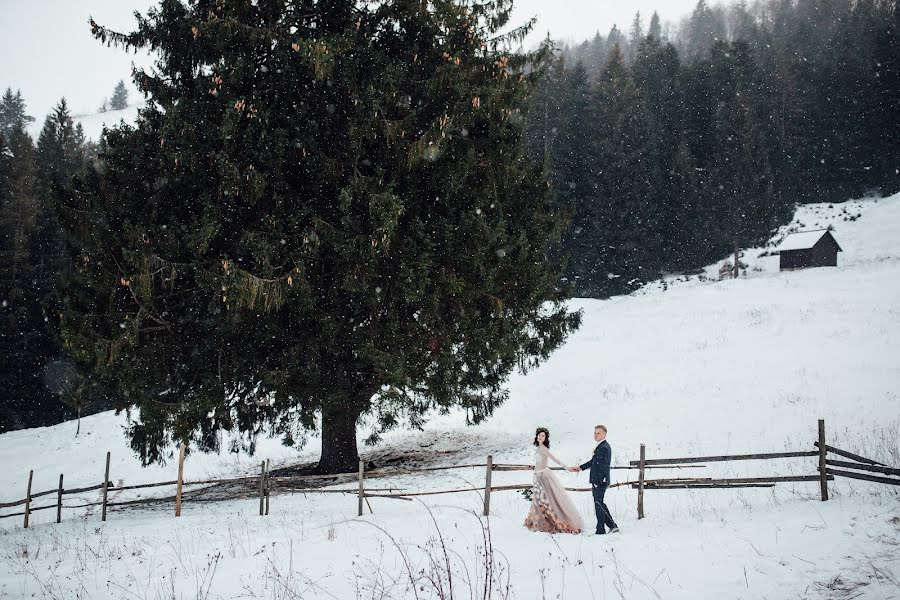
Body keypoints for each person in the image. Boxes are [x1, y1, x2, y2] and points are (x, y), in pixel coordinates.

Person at [524, 427, 584, 534]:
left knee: (547, 499)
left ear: (545, 438)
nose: (540, 437)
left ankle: (554, 521)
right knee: (539, 499)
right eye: (539, 435)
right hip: (537, 476)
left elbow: (554, 459)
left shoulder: (543, 449)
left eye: (543, 436)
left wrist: (567, 467)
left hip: (543, 476)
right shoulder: (538, 448)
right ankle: (540, 520)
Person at [568, 424, 619, 535]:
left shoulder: (604, 447)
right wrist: (580, 468)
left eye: (598, 433)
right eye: (595, 433)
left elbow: (602, 467)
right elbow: (593, 462)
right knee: (599, 503)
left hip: (600, 481)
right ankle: (612, 526)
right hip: (600, 480)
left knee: (598, 505)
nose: (595, 435)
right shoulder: (601, 446)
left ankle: (600, 530)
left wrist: (597, 481)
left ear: (604, 434)